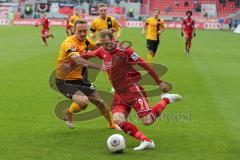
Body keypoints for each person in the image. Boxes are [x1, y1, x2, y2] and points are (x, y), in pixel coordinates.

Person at [75, 29, 182, 151]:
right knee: (117, 119)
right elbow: (89, 54)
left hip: (133, 90)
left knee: (147, 121)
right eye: (102, 43)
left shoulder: (125, 50)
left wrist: (159, 82)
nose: (104, 46)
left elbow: (144, 64)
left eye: (107, 43)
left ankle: (166, 99)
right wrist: (74, 57)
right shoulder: (102, 51)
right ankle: (146, 141)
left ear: (113, 39)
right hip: (119, 93)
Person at [55, 20, 119, 130]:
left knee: (100, 102)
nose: (83, 34)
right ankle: (68, 113)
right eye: (80, 31)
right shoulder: (69, 43)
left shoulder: (86, 40)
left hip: (80, 78)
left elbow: (97, 47)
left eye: (85, 31)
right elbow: (78, 60)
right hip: (64, 81)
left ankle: (111, 124)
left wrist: (109, 36)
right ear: (73, 30)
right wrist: (99, 67)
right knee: (83, 102)